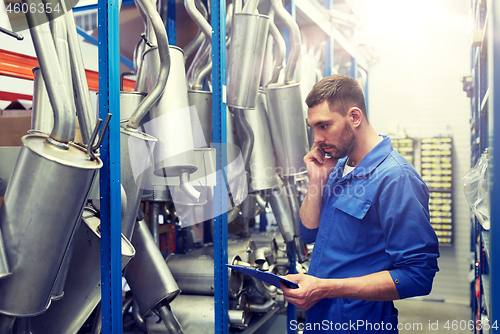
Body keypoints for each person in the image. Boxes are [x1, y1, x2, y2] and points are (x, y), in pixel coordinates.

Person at [280, 74, 440, 333]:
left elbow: (417, 277)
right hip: (321, 320)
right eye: (313, 128)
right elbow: (308, 233)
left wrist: (325, 287)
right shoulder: (338, 166)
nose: (317, 138)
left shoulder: (396, 178)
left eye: (323, 125)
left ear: (355, 117)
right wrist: (317, 180)